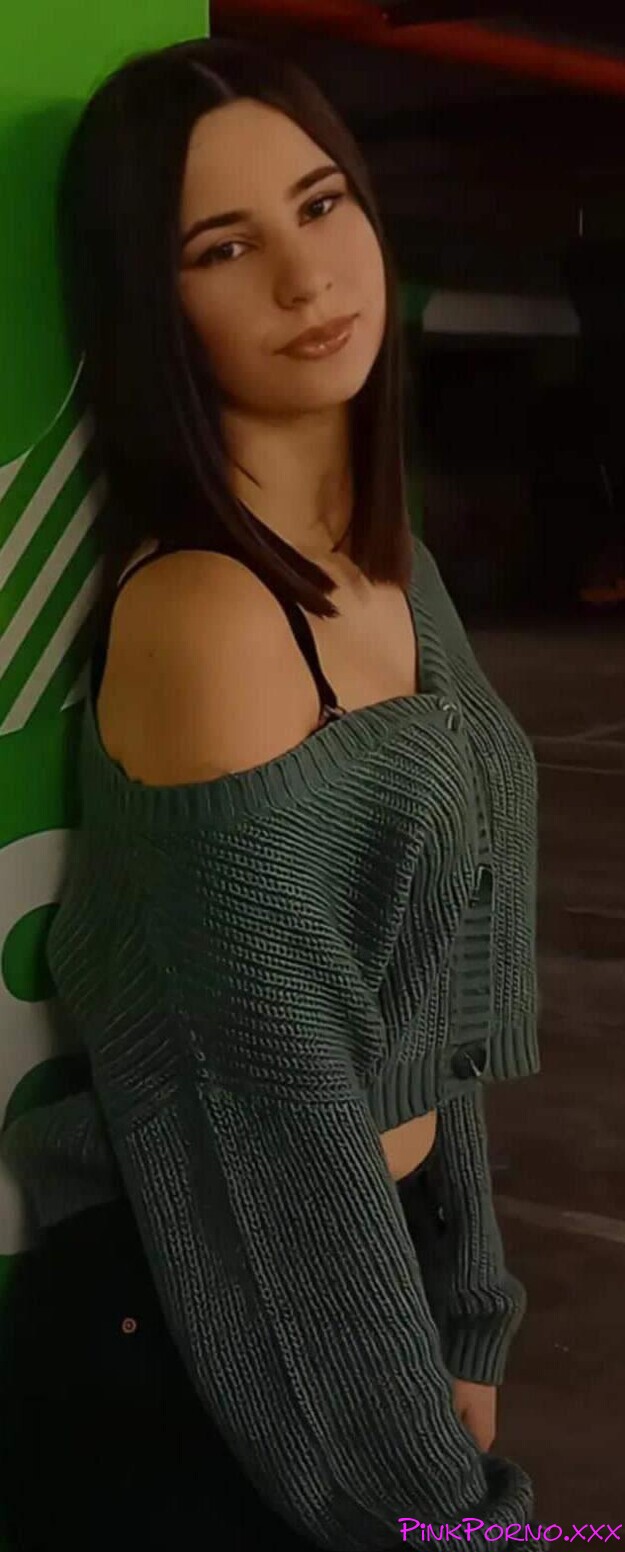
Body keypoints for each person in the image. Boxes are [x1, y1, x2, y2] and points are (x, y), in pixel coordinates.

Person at [0, 37, 547, 1551]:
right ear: (152, 307)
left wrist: (468, 1309)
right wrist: (455, 1524)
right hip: (208, 1328)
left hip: (363, 1289)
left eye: (320, 204)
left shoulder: (388, 575)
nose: (307, 278)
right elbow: (270, 1136)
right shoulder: (210, 620)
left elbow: (429, 991)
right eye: (224, 248)